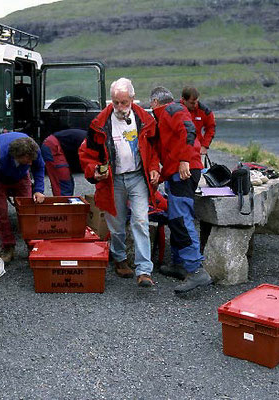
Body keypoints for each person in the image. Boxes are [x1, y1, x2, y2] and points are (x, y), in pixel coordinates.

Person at [78, 78, 159, 288]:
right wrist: (94, 171)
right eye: (115, 102)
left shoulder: (145, 120)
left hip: (137, 177)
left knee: (140, 221)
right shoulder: (99, 124)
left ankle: (144, 270)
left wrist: (153, 168)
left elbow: (153, 150)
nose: (119, 107)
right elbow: (87, 154)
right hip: (112, 180)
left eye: (123, 102)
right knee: (116, 224)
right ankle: (120, 258)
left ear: (132, 99)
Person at [150, 86, 212, 294]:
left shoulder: (171, 110)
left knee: (182, 218)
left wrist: (184, 160)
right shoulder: (167, 114)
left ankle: (195, 270)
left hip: (185, 169)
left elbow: (189, 129)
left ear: (155, 103)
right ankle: (179, 264)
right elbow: (171, 148)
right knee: (176, 216)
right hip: (179, 170)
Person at [0, 132, 45, 262]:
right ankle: (8, 246)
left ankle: (32, 245)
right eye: (27, 161)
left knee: (28, 211)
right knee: (0, 213)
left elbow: (39, 167)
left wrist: (39, 190)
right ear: (16, 156)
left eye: (31, 160)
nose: (30, 164)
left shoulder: (34, 150)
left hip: (21, 177)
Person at [180, 86, 216, 156]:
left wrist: (204, 146)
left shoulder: (205, 111)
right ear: (183, 100)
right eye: (192, 103)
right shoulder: (173, 109)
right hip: (178, 148)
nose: (195, 105)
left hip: (196, 149)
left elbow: (211, 128)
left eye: (196, 102)